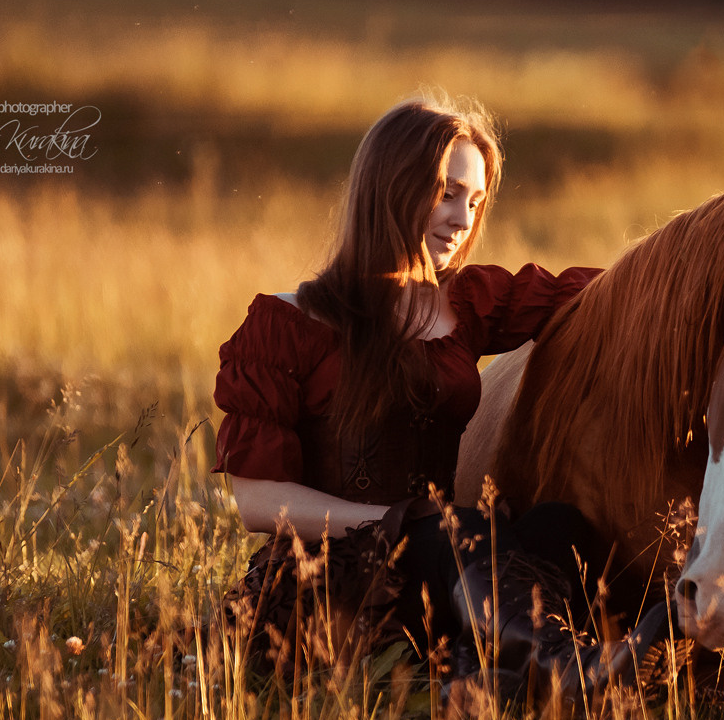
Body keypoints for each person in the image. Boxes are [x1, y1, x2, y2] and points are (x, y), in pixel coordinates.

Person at [209, 96, 600, 686]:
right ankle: (554, 674)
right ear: (389, 186)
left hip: (440, 555)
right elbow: (258, 502)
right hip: (334, 574)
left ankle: (516, 668)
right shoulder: (287, 324)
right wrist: (399, 521)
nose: (462, 220)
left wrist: (709, 254)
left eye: (474, 200)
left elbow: (602, 294)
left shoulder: (469, 304)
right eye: (446, 193)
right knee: (456, 530)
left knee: (559, 528)